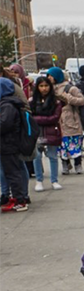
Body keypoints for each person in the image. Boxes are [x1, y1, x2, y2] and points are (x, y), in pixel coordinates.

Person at [46, 67, 84, 175]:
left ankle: (78, 164)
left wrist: (67, 97)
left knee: (74, 144)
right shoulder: (48, 89)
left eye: (51, 75)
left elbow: (82, 100)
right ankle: (65, 163)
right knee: (61, 146)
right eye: (48, 76)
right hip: (57, 120)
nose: (49, 78)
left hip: (71, 119)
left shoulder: (69, 88)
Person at [0, 77, 29, 212]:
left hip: (8, 143)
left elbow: (4, 124)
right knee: (10, 171)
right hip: (7, 143)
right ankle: (17, 196)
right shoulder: (7, 104)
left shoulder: (7, 105)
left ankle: (20, 199)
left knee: (13, 172)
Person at [30, 76, 63, 191]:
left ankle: (54, 180)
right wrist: (44, 119)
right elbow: (30, 117)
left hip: (52, 131)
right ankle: (39, 180)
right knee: (37, 157)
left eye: (46, 86)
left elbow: (55, 118)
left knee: (53, 156)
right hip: (37, 132)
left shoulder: (56, 102)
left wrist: (38, 119)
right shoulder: (32, 101)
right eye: (41, 86)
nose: (44, 89)